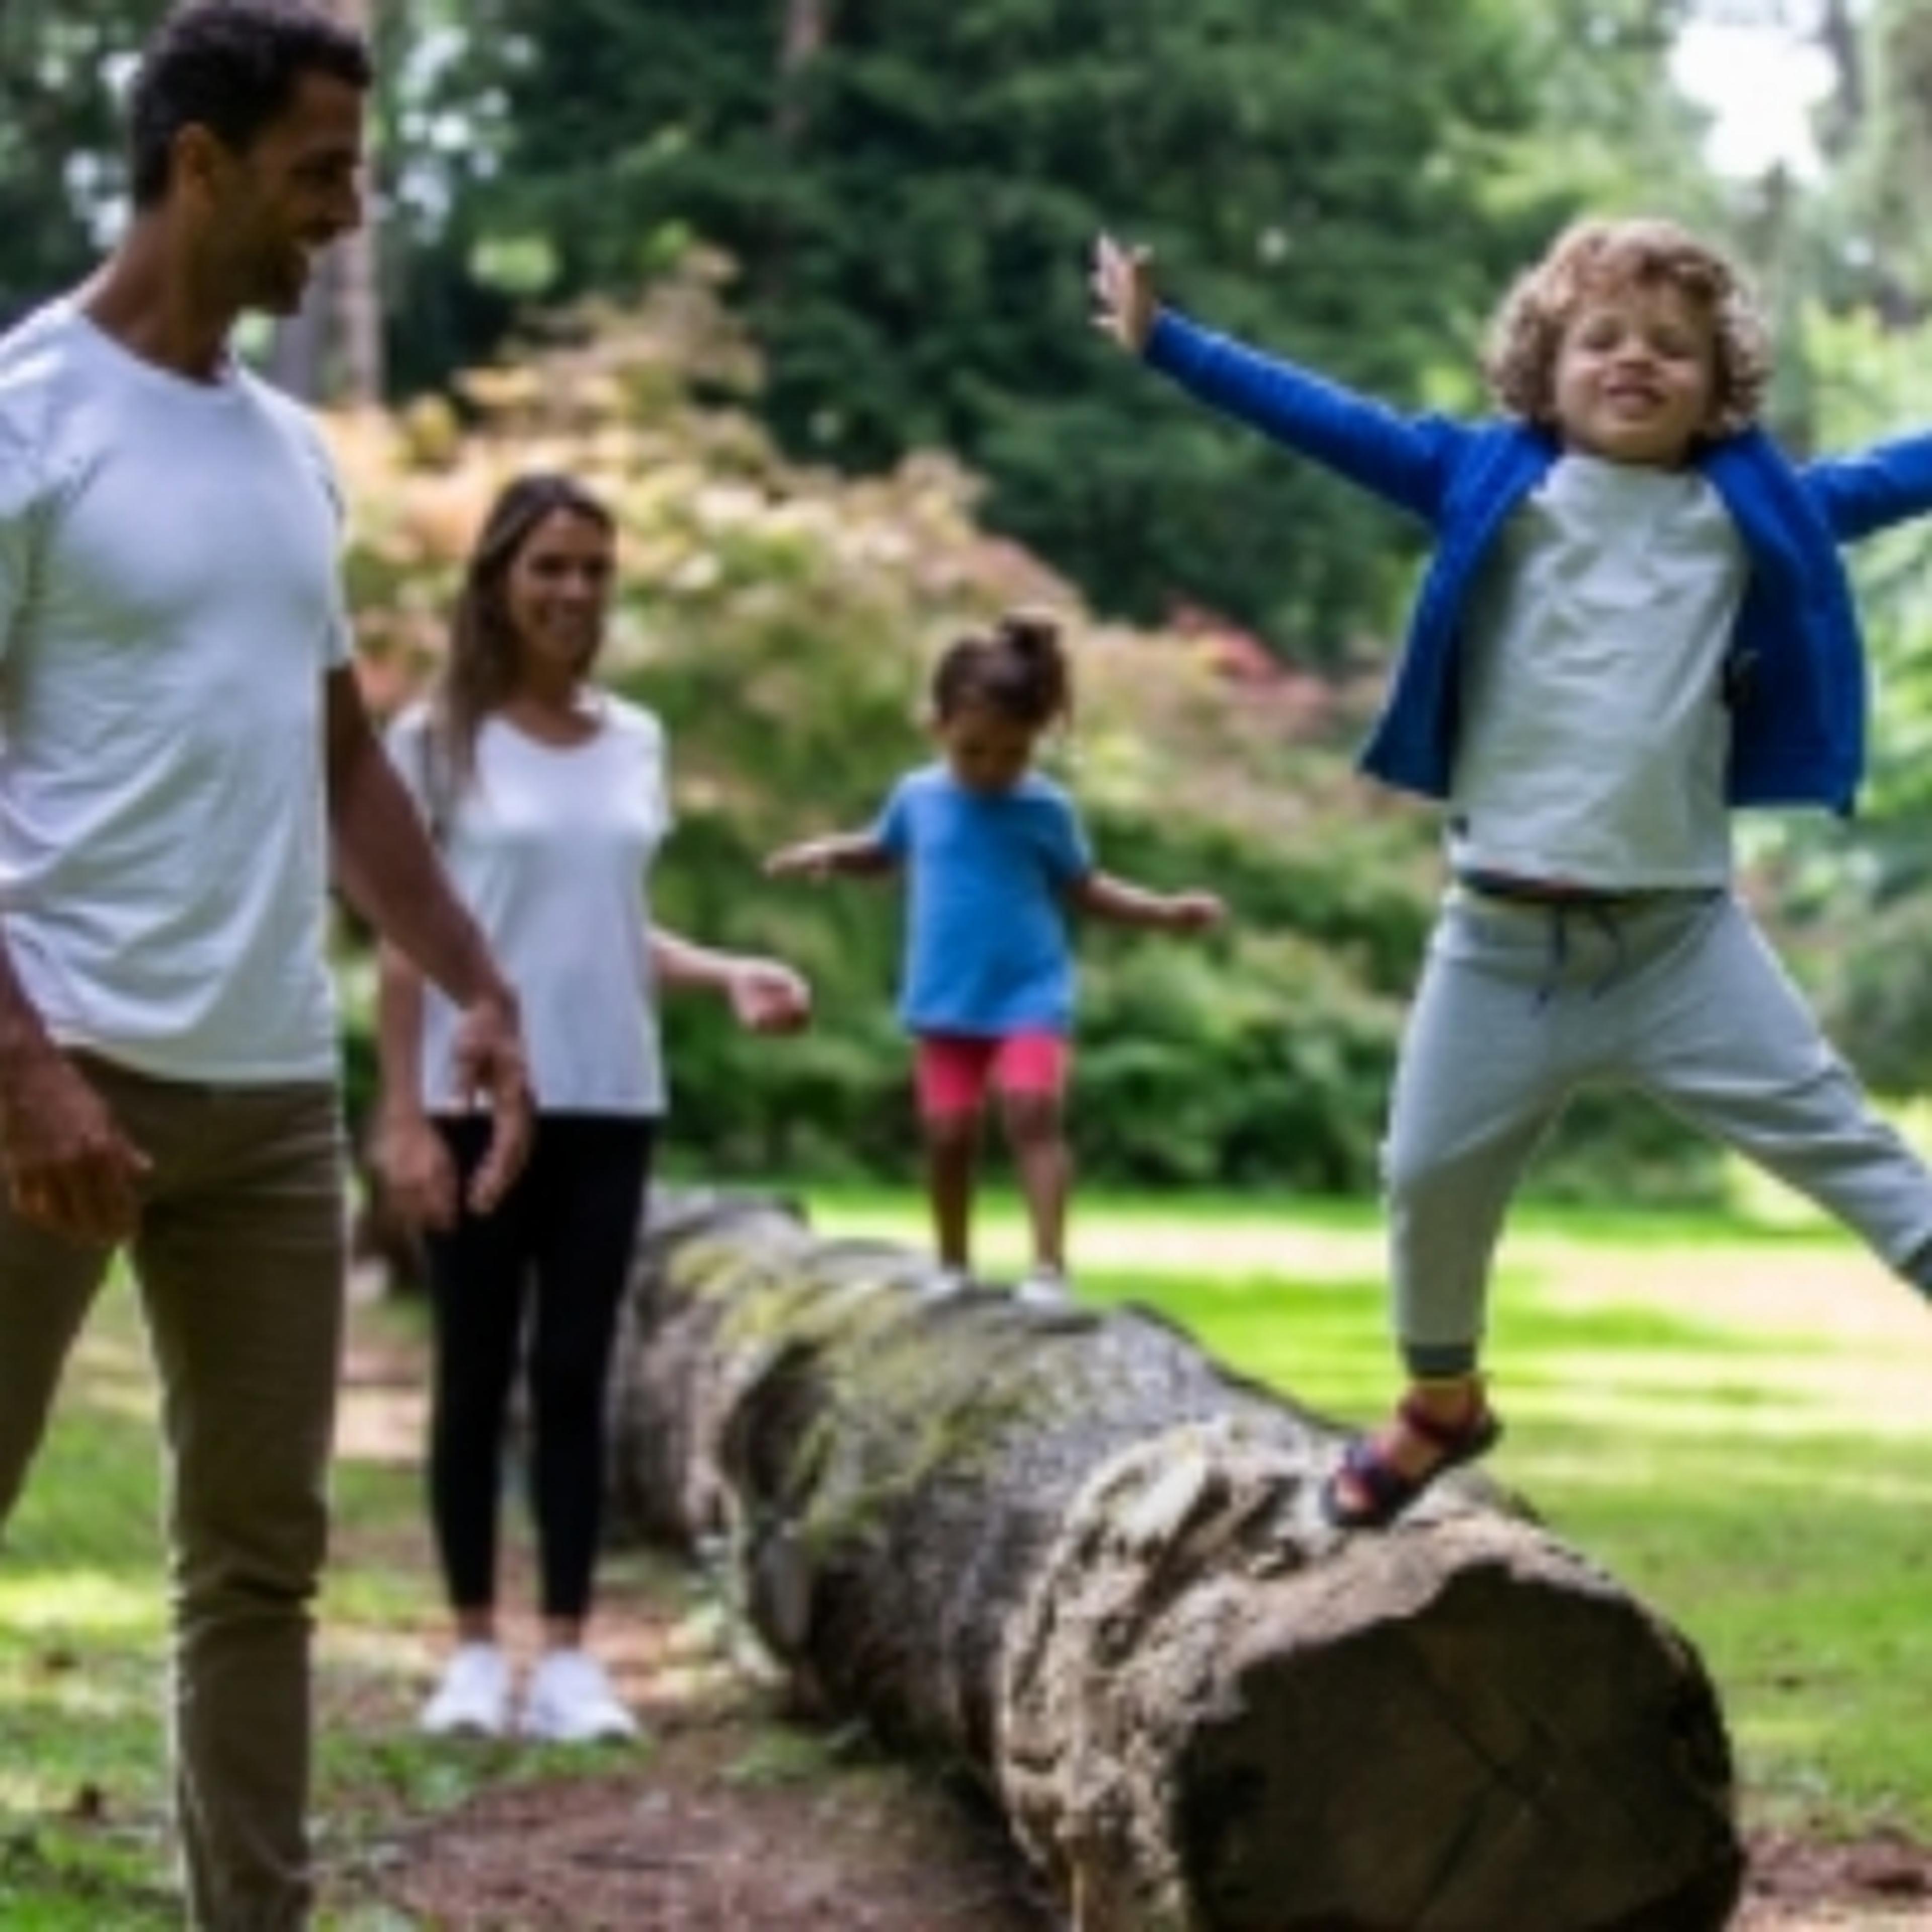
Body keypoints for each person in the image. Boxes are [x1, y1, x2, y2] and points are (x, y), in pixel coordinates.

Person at [1091, 216, 1932, 1530]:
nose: (1634, 361)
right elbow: (1330, 421)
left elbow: (1904, 471)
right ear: (1545, 366)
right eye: (1601, 338)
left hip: (1680, 949)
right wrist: (1169, 343)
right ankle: (1442, 1405)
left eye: (1672, 346)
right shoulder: (1487, 481)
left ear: (1722, 386)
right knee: (1428, 1182)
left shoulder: (1748, 514)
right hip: (1497, 946)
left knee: (1863, 1160)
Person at [0, 5, 533, 1928]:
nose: (354, 210)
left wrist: (473, 975)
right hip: (51, 1074)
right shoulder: (26, 417)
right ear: (199, 164)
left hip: (263, 1100)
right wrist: (28, 1073)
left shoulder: (290, 454)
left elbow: (339, 762)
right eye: (322, 168)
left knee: (258, 1568)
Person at [375, 472, 813, 1745]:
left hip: (611, 1095)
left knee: (577, 1371)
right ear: (499, 584)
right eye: (548, 568)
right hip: (470, 1100)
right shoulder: (433, 742)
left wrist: (725, 969)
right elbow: (409, 941)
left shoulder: (637, 739)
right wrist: (402, 1117)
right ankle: (469, 1650)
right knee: (474, 1371)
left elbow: (610, 930)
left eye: (594, 570)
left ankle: (566, 1659)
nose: (573, 592)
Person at [765, 610, 1224, 1302]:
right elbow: (881, 851)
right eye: (974, 750)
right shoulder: (918, 797)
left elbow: (1086, 888)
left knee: (1032, 1112)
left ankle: (1048, 1267)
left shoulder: (1045, 811)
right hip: (947, 997)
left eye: (1013, 754)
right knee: (948, 1132)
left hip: (1028, 992)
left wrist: (1161, 912)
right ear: (938, 726)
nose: (992, 769)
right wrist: (829, 853)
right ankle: (952, 1264)